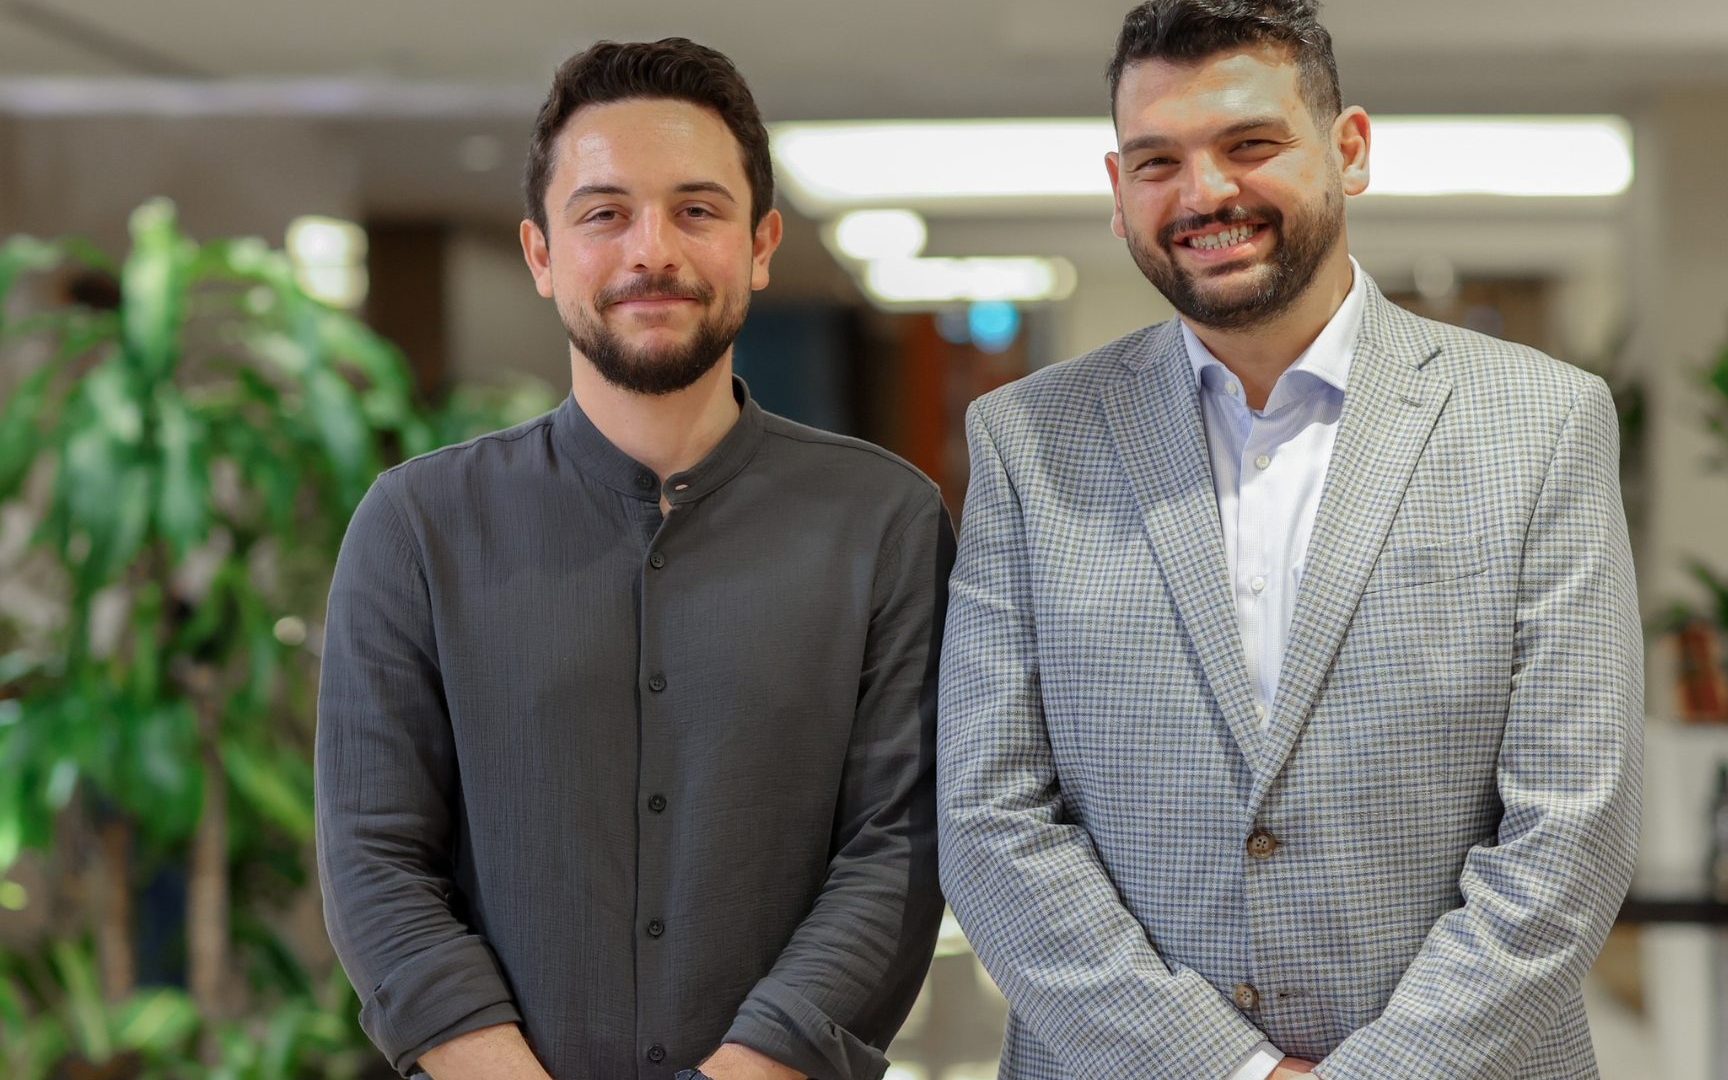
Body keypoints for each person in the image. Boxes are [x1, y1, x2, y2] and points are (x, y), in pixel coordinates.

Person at [936, 1, 1642, 1077]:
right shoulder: (1028, 441)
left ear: (1348, 150)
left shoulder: (1541, 423)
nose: (1203, 193)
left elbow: (1572, 826)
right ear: (1118, 188)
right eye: (1157, 160)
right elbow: (991, 821)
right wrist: (1232, 1072)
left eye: (1250, 144)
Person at [316, 38, 951, 1080]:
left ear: (761, 244)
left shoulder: (885, 522)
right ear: (541, 254)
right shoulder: (417, 526)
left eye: (697, 210)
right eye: (604, 214)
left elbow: (900, 847)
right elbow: (375, 860)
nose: (650, 251)